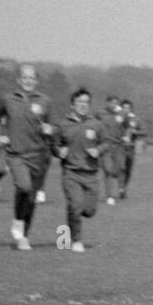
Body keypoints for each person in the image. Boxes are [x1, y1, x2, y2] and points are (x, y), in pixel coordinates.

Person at [0, 64, 55, 250]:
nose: (28, 81)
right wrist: (0, 133)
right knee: (24, 186)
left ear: (36, 81)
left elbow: (51, 126)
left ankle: (23, 236)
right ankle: (17, 221)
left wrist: (50, 130)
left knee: (30, 199)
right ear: (19, 80)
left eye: (32, 78)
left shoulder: (45, 101)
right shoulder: (8, 99)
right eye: (25, 77)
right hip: (16, 154)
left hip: (38, 155)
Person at [54, 89, 106, 252]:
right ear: (72, 104)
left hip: (91, 174)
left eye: (86, 103)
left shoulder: (96, 124)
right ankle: (75, 241)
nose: (83, 106)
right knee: (76, 205)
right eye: (79, 102)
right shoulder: (63, 125)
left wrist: (98, 150)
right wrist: (58, 151)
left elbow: (106, 143)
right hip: (71, 173)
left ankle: (67, 226)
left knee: (89, 211)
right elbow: (54, 144)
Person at [98, 96, 125, 206]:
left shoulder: (122, 114)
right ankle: (109, 196)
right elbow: (94, 125)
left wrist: (127, 135)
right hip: (106, 145)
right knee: (108, 170)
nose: (114, 105)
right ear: (107, 103)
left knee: (117, 170)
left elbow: (129, 126)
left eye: (116, 103)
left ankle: (112, 191)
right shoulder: (100, 113)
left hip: (118, 146)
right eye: (112, 103)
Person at [119, 98, 141, 199]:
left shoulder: (135, 120)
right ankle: (121, 188)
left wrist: (136, 133)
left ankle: (124, 188)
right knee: (121, 168)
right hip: (119, 147)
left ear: (131, 109)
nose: (126, 109)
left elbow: (143, 131)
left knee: (128, 170)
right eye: (124, 107)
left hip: (130, 148)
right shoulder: (117, 119)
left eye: (128, 108)